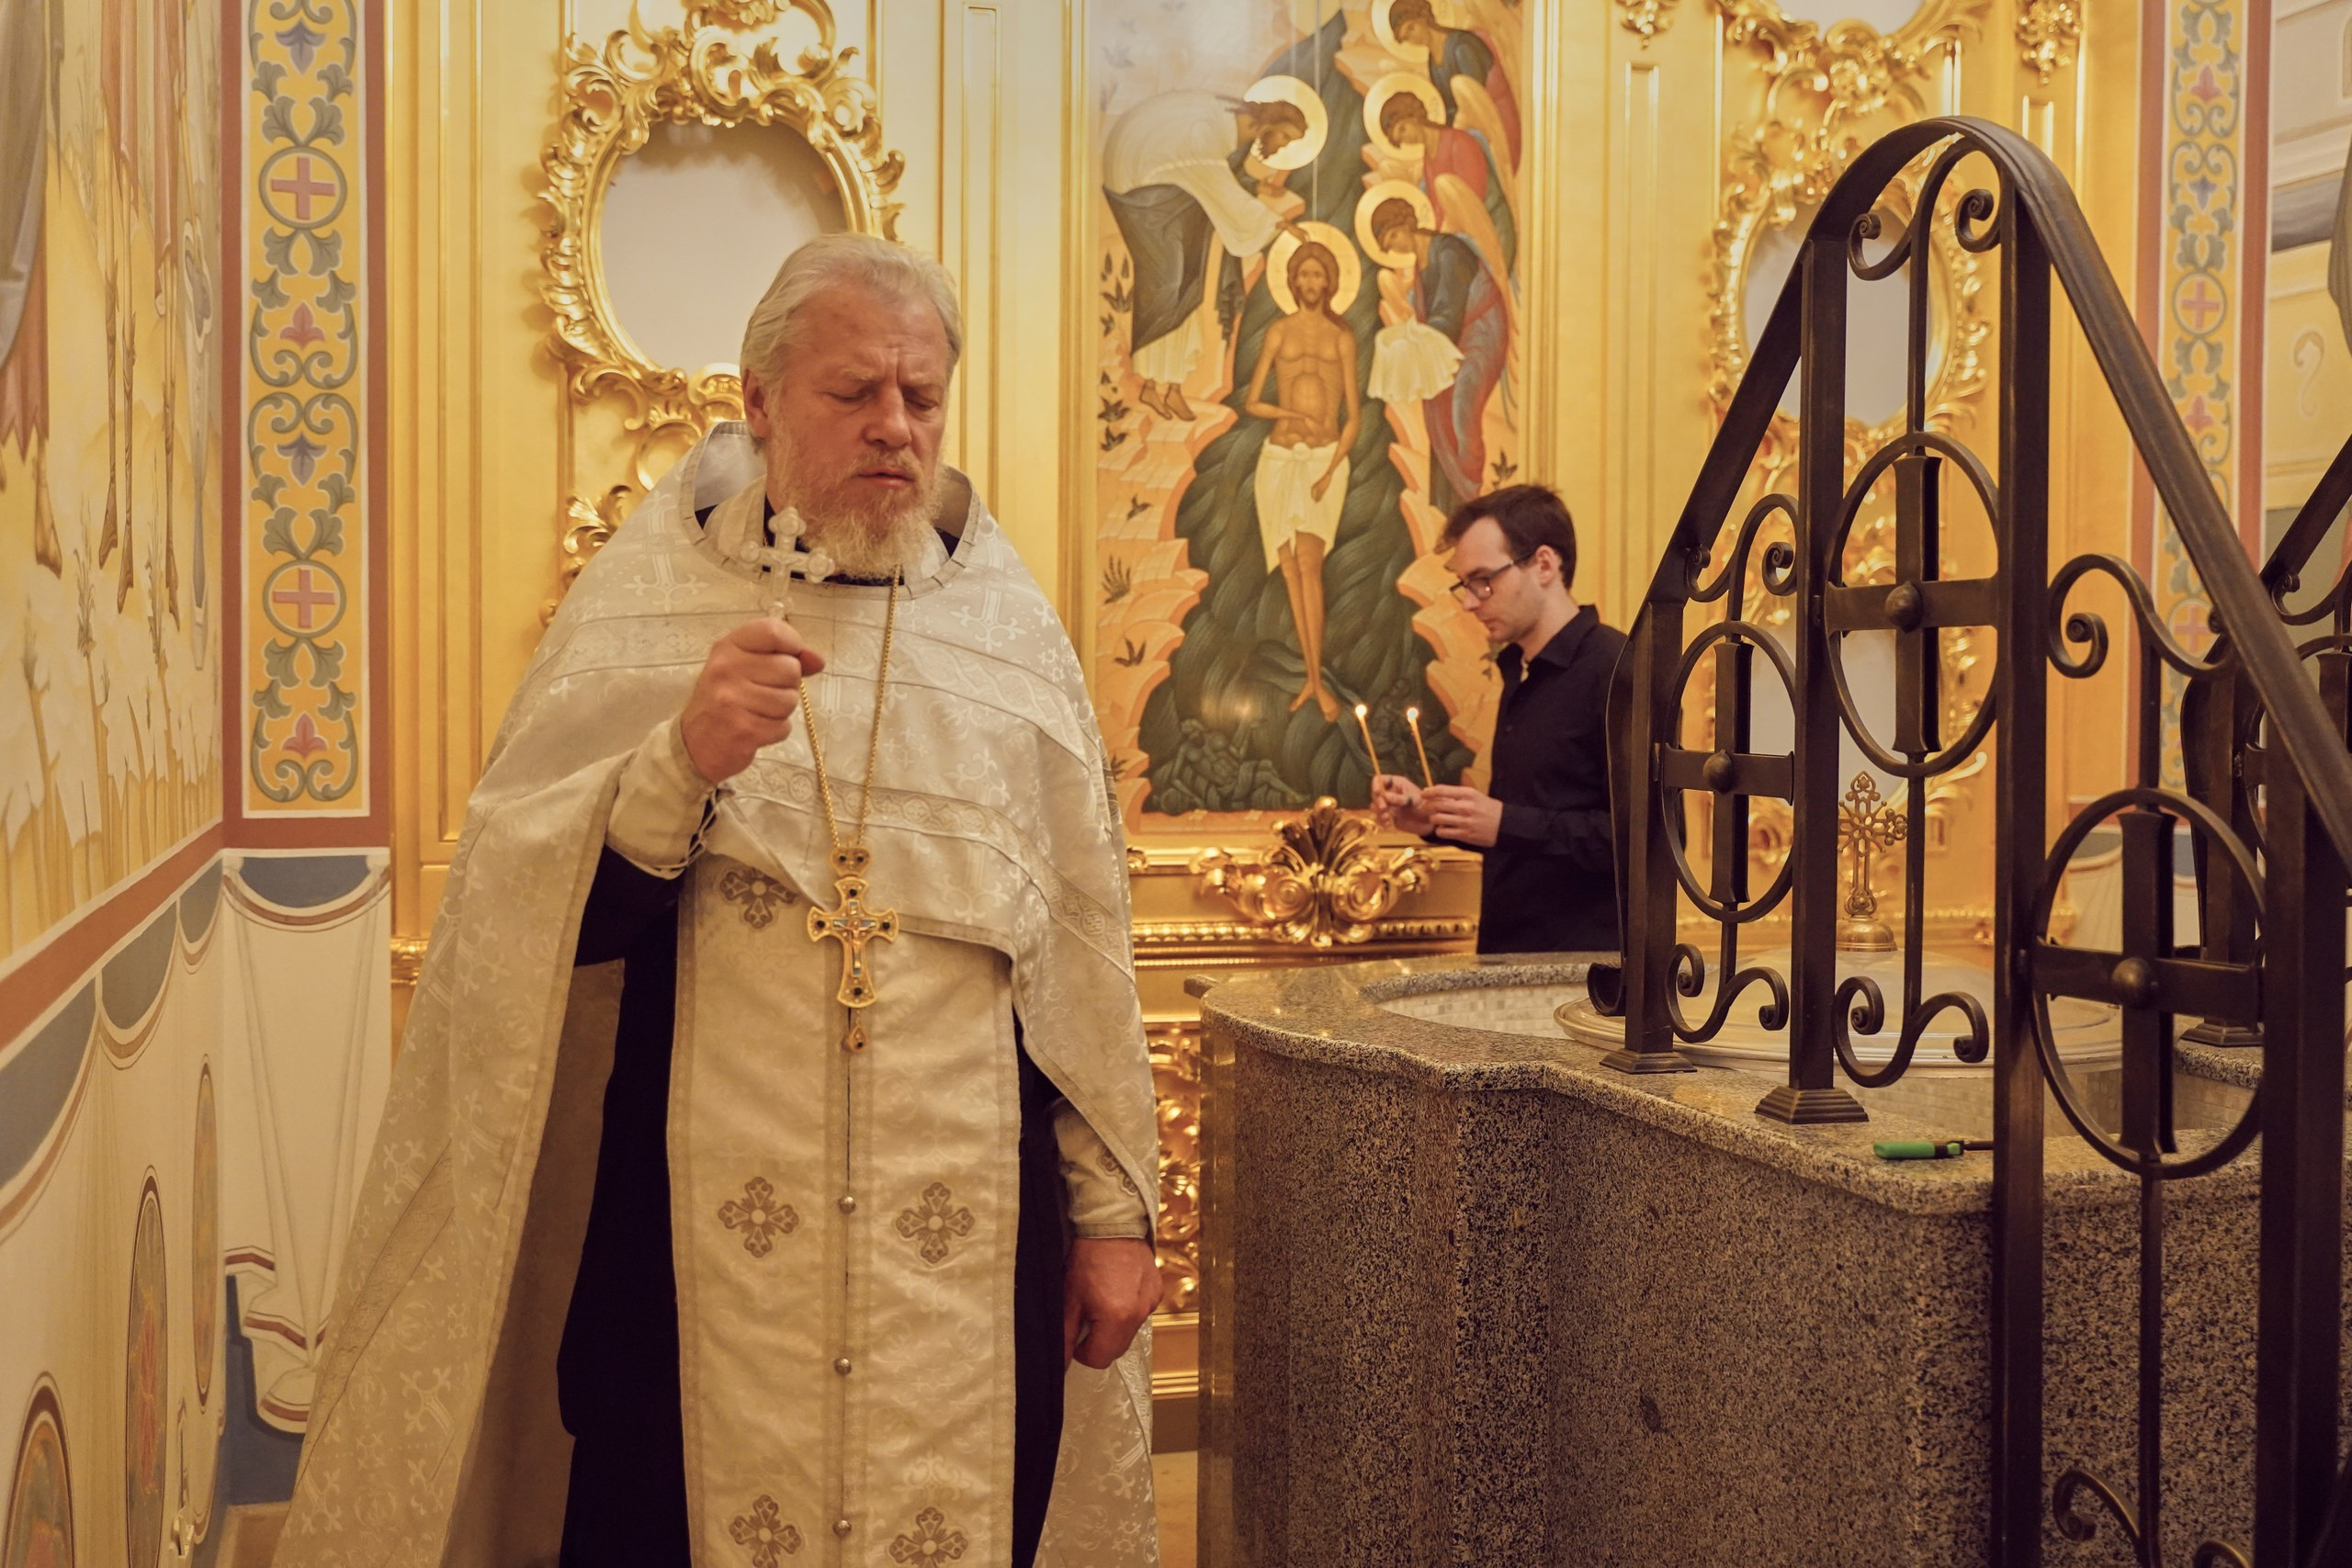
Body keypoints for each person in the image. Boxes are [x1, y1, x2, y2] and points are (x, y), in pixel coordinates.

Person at [273, 236, 1163, 1567]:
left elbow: (1083, 962)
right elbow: (531, 925)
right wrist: (678, 758)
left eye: (921, 397)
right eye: (854, 391)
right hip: (687, 1249)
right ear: (756, 402)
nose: (895, 429)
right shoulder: (646, 607)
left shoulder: (1008, 639)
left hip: (969, 1257)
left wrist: (1113, 1215)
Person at [1372, 484, 1623, 953]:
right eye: (1465, 584)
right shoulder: (1517, 669)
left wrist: (1505, 823)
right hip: (1510, 959)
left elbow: (1647, 840)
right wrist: (1430, 819)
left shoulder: (1618, 668)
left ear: (1545, 565)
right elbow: (1525, 829)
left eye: (1483, 580)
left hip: (1585, 977)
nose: (1470, 601)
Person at [1102, 89, 1310, 422]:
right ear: (1266, 123)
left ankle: (1172, 387)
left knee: (1191, 284)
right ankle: (1152, 387)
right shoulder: (1205, 132)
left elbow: (1220, 181)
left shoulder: (1223, 131)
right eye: (1285, 136)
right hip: (1145, 196)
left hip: (1175, 196)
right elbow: (1219, 188)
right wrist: (1278, 223)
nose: (1284, 145)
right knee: (1169, 285)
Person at [1244, 239, 1360, 722]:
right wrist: (1291, 412)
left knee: (1311, 564)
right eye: (1304, 275)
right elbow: (1252, 402)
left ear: (1330, 282)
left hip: (1321, 462)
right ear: (1293, 282)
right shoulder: (1278, 332)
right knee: (1291, 568)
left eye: (1319, 275)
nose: (1311, 283)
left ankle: (1317, 682)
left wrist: (1331, 468)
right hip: (1278, 458)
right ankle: (1312, 683)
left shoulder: (1341, 339)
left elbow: (1353, 416)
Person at [1370, 195, 1504, 514]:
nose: (1395, 249)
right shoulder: (1422, 266)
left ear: (1404, 224)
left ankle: (1471, 499)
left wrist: (1413, 339)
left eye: (1393, 239)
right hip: (1449, 341)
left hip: (1479, 336)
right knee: (1437, 410)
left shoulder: (1449, 251)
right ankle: (1449, 509)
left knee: (1461, 411)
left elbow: (1449, 312)